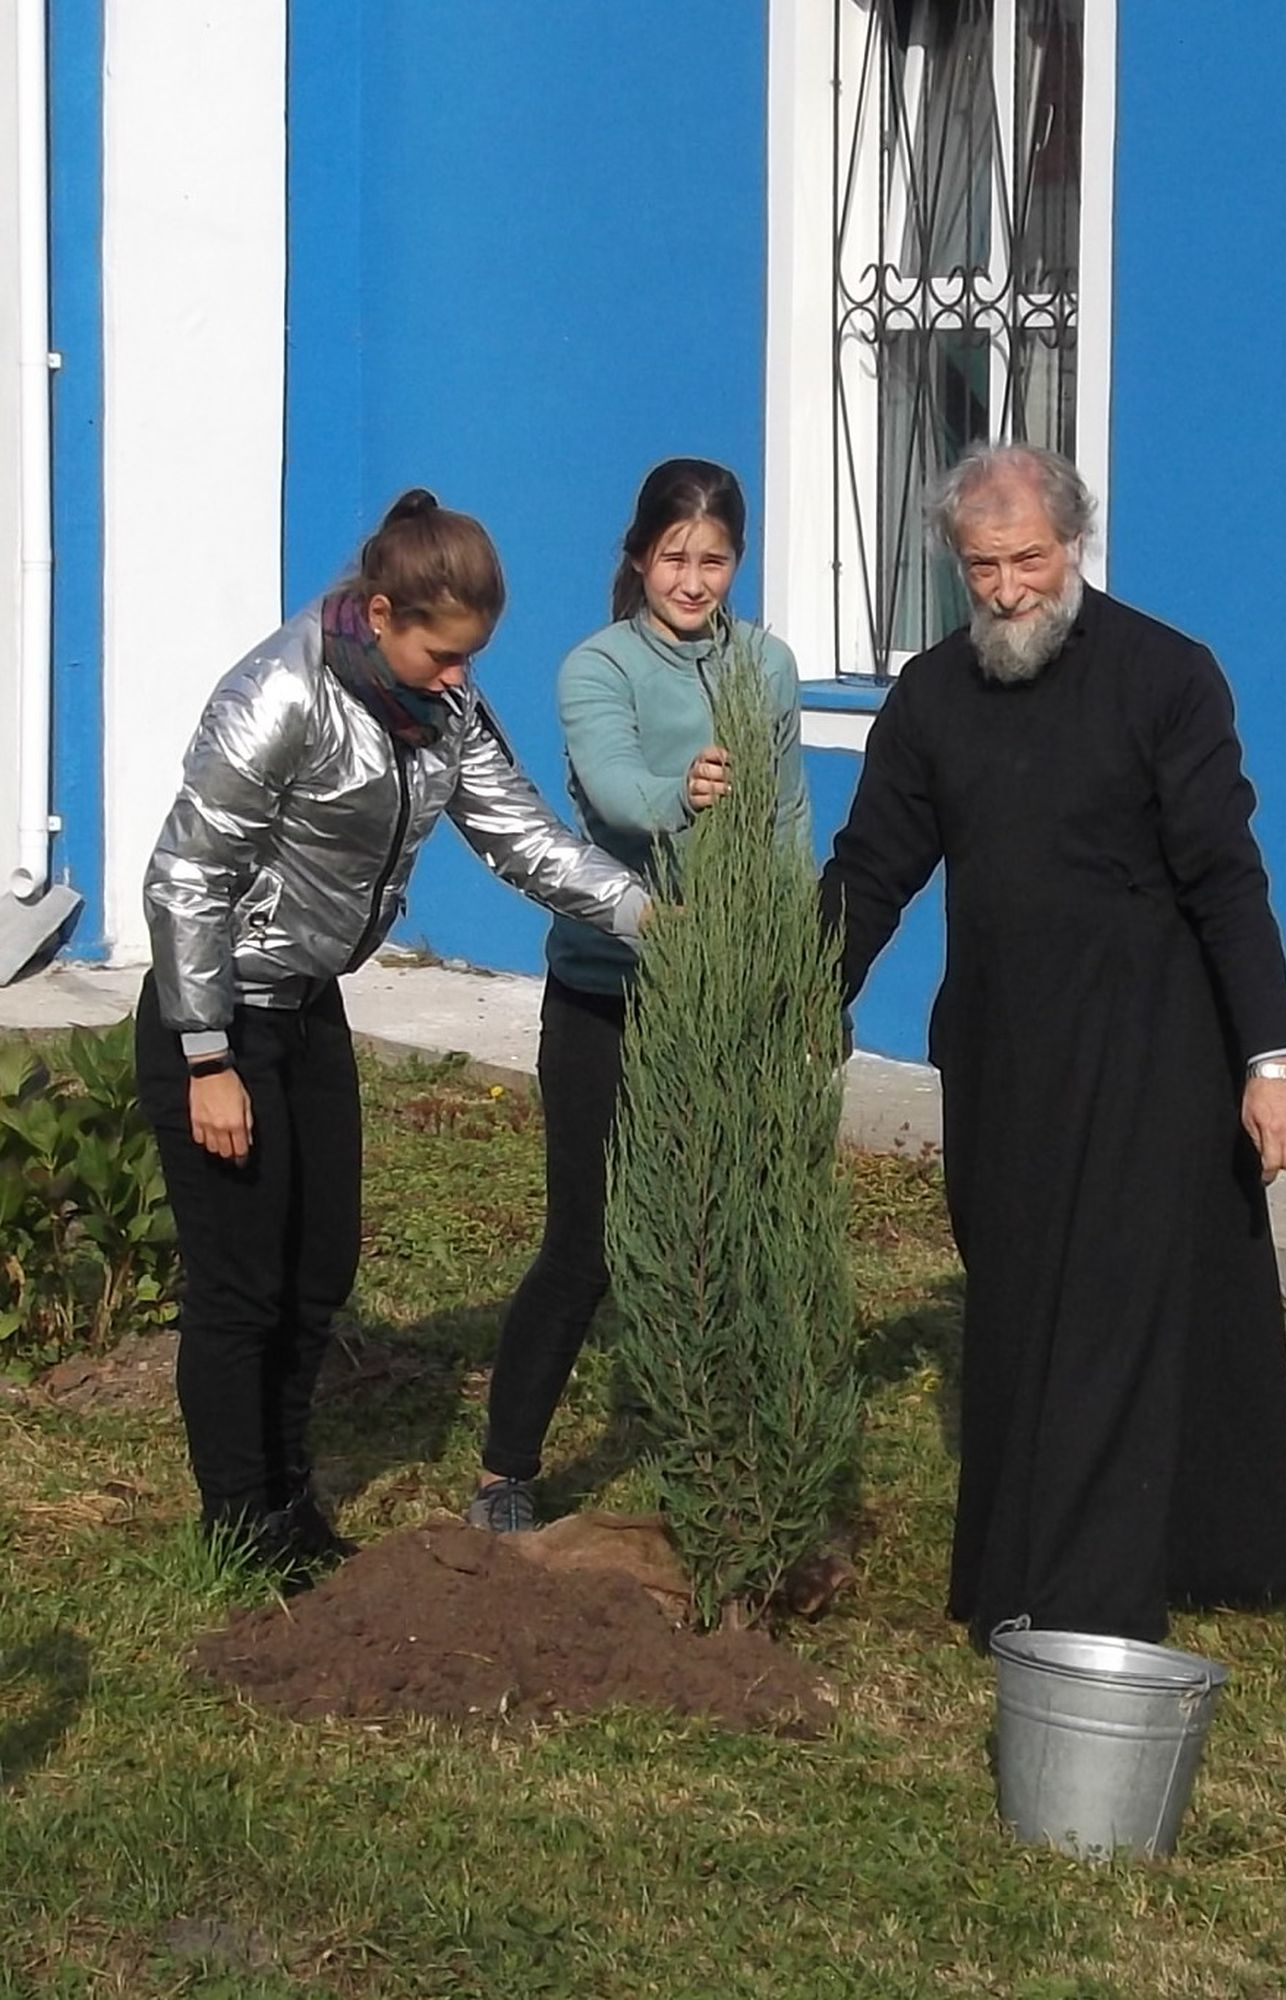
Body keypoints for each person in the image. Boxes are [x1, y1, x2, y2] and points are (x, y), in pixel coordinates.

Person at [821, 442, 1286, 1648]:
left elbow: (1225, 876)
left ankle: (1083, 1606)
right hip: (999, 1053)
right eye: (981, 568)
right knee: (1016, 1302)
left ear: (1075, 542)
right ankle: (1024, 1561)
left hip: (1151, 1049)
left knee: (1113, 1312)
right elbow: (873, 867)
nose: (1006, 591)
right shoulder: (932, 695)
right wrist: (792, 1004)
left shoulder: (1166, 675)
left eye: (1027, 561)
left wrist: (1272, 1062)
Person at [136, 489, 649, 1580]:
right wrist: (205, 1056)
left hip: (308, 1004)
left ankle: (289, 1501)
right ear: (380, 615)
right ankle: (237, 1525)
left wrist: (649, 916)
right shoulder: (280, 691)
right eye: (443, 653)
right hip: (218, 1014)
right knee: (241, 1288)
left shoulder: (441, 708)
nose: (459, 676)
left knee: (316, 1272)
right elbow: (185, 873)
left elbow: (522, 837)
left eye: (472, 657)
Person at [467, 458, 809, 1531]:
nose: (693, 581)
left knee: (721, 1231)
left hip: (730, 993)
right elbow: (614, 798)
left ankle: (717, 1459)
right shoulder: (597, 665)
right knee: (588, 1242)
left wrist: (797, 968)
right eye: (673, 558)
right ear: (638, 557)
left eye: (714, 560)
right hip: (606, 995)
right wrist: (686, 791)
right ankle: (505, 1473)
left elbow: (787, 820)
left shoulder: (767, 665)